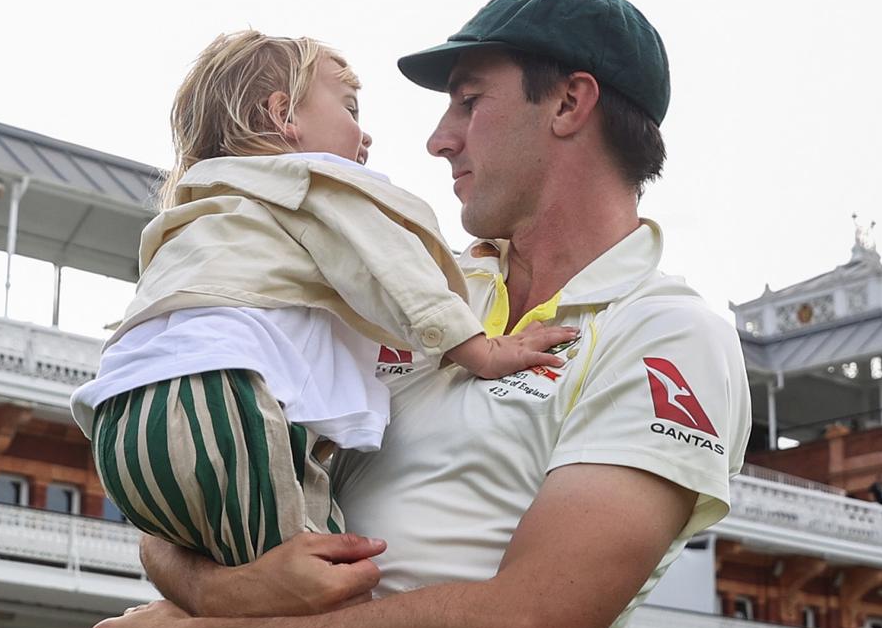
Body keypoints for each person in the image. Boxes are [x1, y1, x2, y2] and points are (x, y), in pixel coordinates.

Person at [85, 0, 751, 628]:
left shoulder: (668, 332)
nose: (439, 139)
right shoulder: (405, 290)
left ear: (569, 103)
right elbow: (200, 466)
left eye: (469, 102)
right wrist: (213, 586)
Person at [70, 30, 576, 566]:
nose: (366, 135)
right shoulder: (312, 180)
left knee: (241, 574)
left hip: (118, 427)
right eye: (350, 108)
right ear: (283, 114)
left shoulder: (207, 206)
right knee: (315, 575)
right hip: (218, 399)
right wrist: (481, 350)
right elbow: (394, 267)